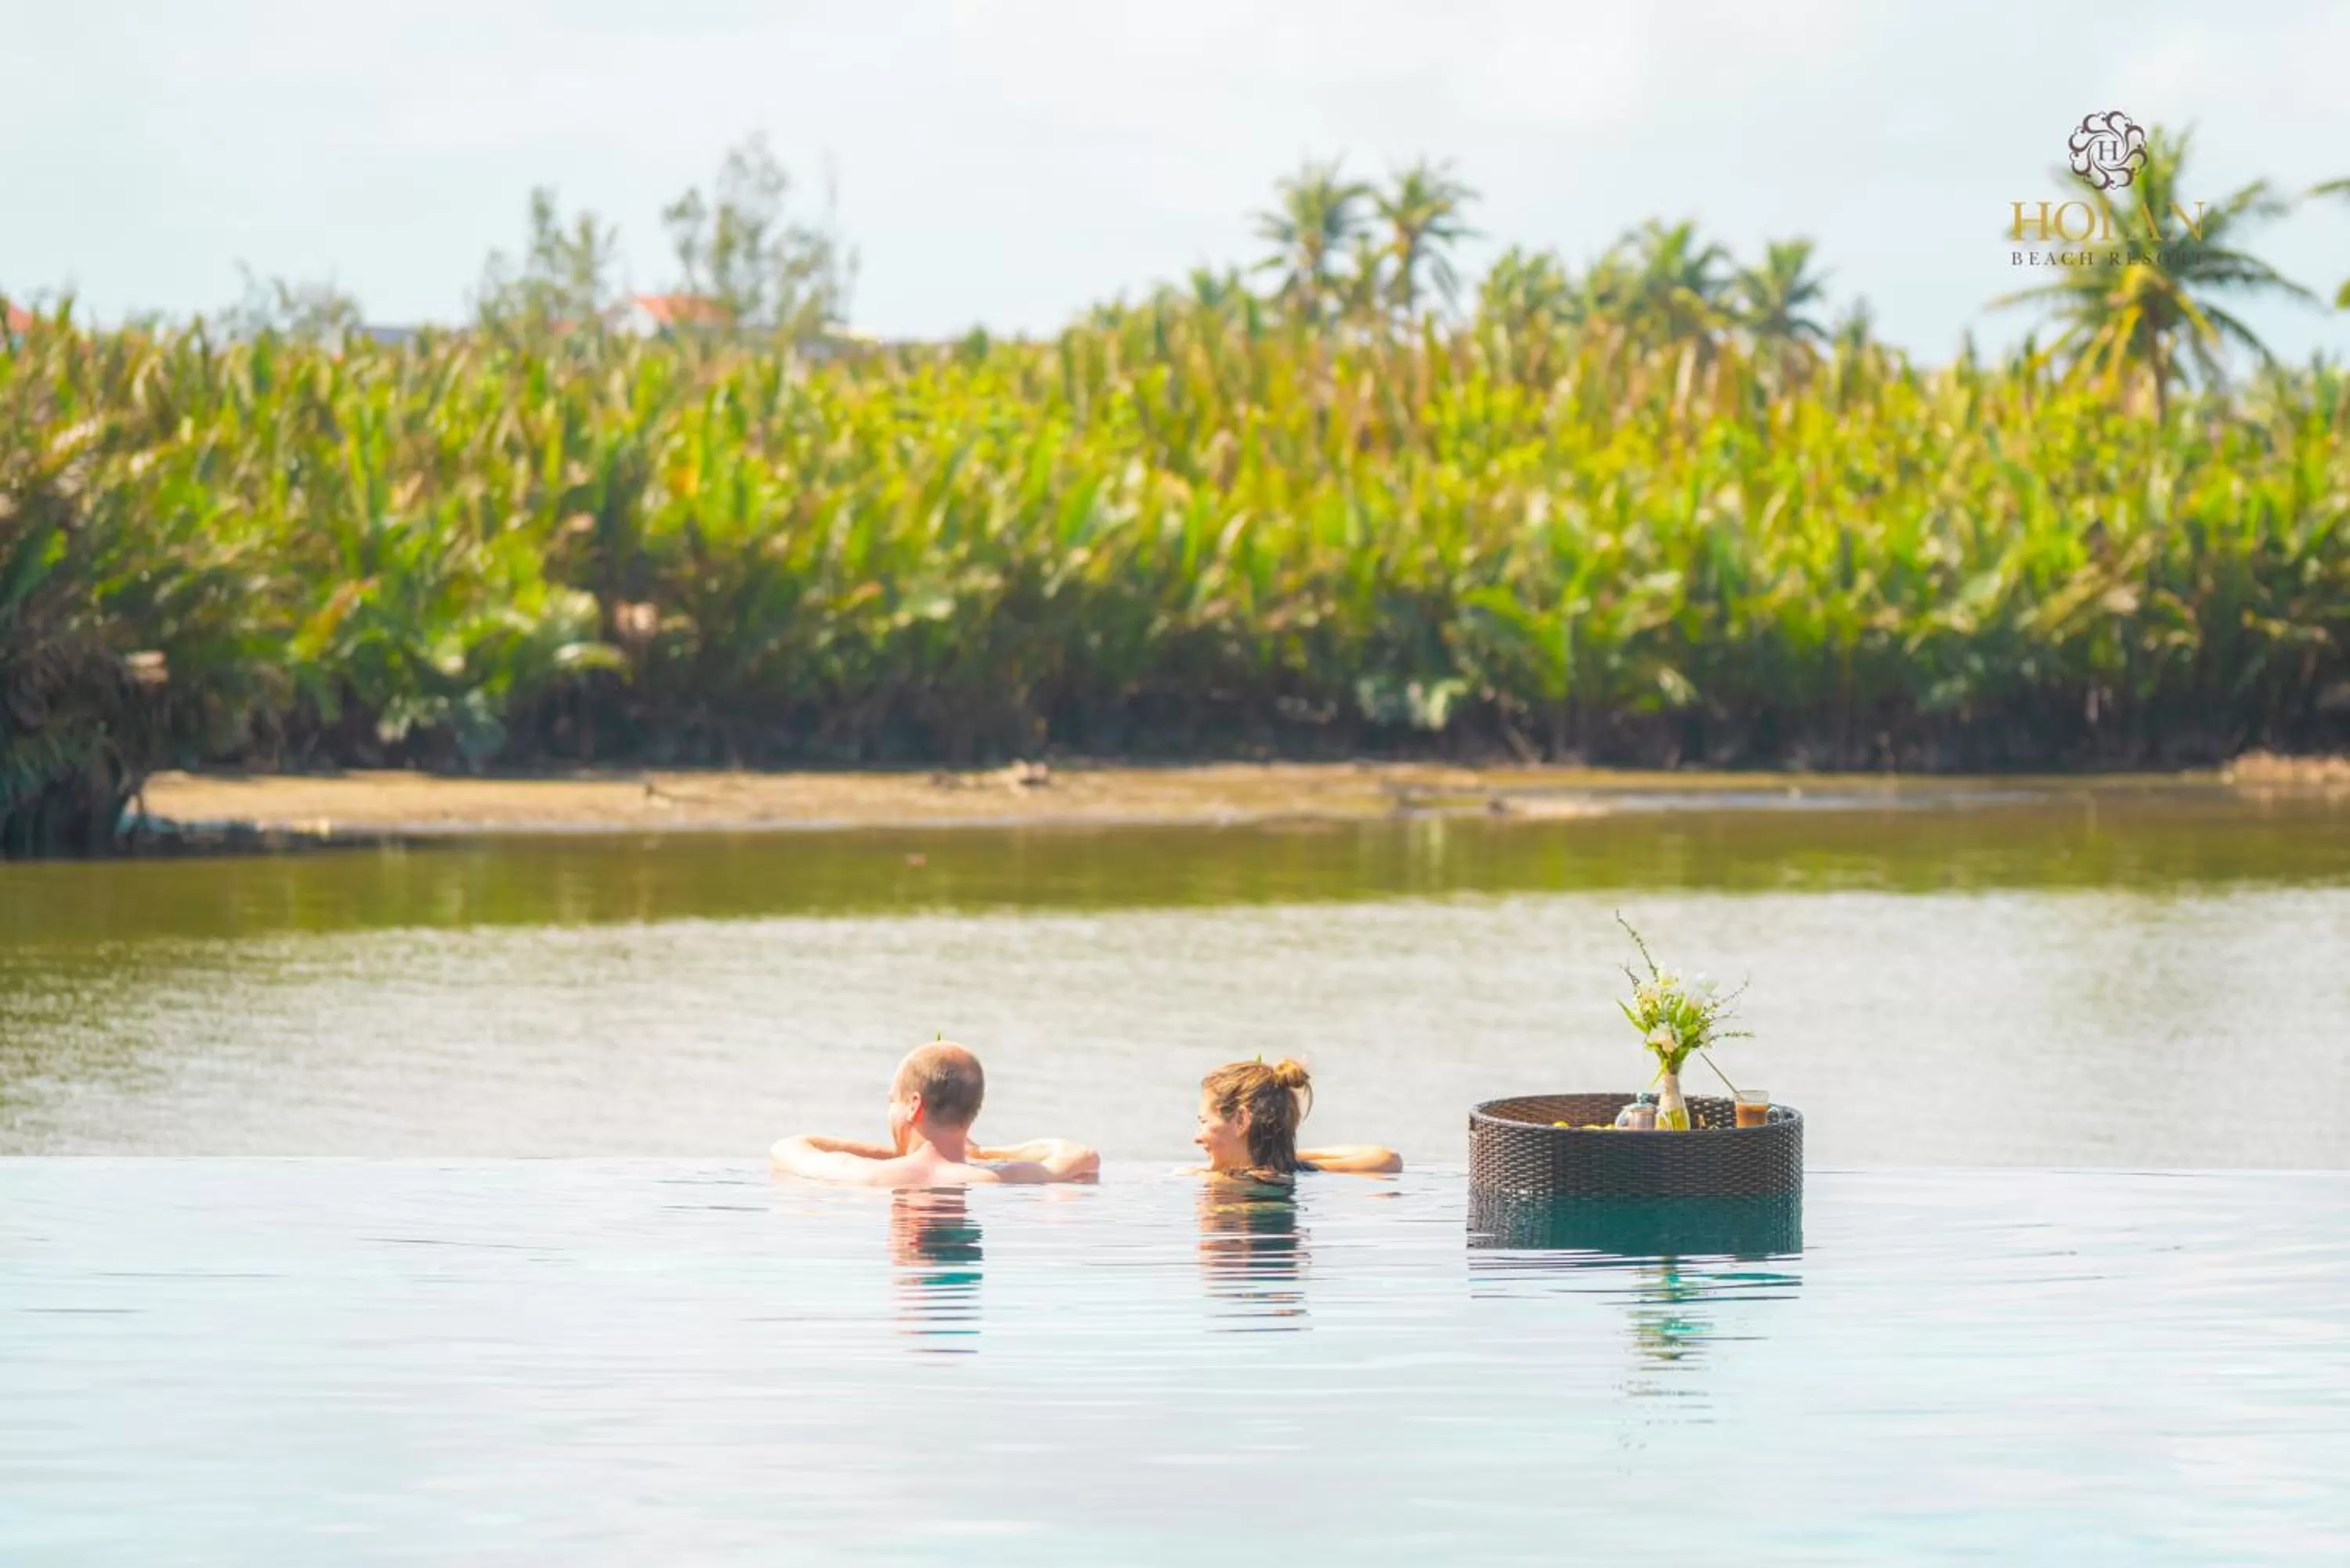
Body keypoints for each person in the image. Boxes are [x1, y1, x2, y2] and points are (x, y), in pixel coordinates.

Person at [770, 1040, 1099, 1187]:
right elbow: (1081, 1155)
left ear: (914, 1106)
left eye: (893, 1101)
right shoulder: (1005, 1178)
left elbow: (786, 1148)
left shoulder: (863, 1175)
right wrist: (980, 1154)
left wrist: (895, 1156)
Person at [1191, 1058, 1401, 1181]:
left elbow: (1388, 1158)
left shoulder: (1216, 1182)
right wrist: (1281, 1155)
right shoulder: (1292, 1171)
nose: (1197, 1138)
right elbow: (1388, 1159)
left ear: (1241, 1121)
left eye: (1204, 1122)